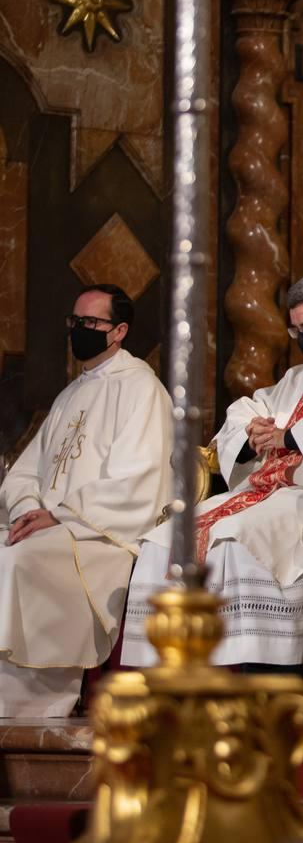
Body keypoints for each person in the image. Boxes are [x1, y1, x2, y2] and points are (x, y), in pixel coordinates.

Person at [121, 271, 303, 670]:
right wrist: (253, 431)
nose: (302, 340)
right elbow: (250, 406)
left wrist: (289, 435)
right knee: (164, 540)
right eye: (295, 331)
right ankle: (169, 670)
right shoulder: (298, 377)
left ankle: (262, 671)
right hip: (268, 493)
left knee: (235, 539)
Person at [0, 285, 171, 715]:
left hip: (99, 537)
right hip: (53, 527)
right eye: (74, 322)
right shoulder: (70, 395)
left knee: (20, 560)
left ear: (119, 331)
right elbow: (25, 471)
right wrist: (25, 511)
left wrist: (58, 515)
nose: (78, 331)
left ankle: (31, 705)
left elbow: (140, 480)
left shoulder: (142, 390)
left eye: (90, 323)